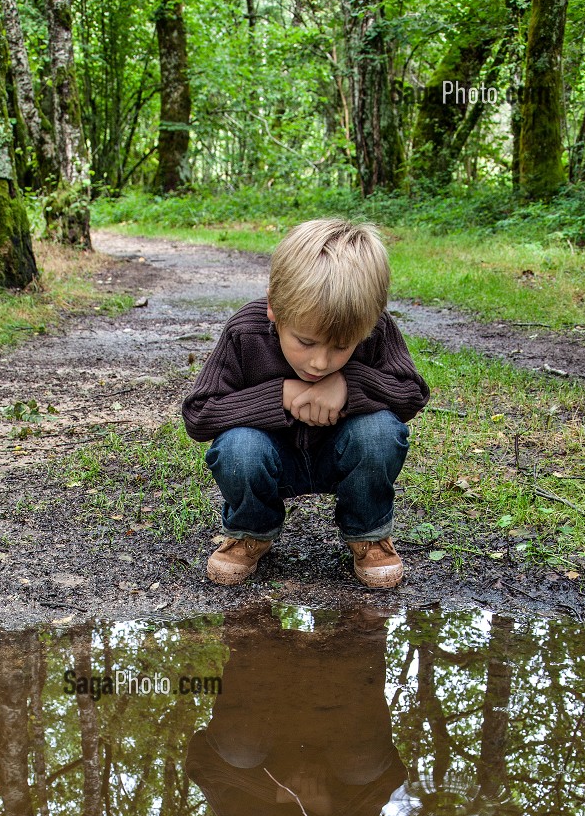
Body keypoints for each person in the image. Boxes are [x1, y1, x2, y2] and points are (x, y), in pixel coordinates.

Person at [181, 218, 430, 589]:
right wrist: (280, 395)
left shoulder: (373, 328)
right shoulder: (244, 332)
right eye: (306, 341)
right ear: (274, 309)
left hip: (344, 454)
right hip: (271, 458)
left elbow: (411, 392)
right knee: (238, 447)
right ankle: (253, 530)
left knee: (380, 433)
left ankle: (367, 532)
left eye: (342, 347)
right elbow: (199, 415)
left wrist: (348, 384)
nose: (319, 362)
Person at [185, 604, 406, 816]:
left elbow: (199, 758)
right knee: (363, 766)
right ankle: (363, 628)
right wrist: (332, 803)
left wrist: (273, 791)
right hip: (334, 684)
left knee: (238, 750)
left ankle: (251, 625)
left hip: (270, 678)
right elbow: (393, 770)